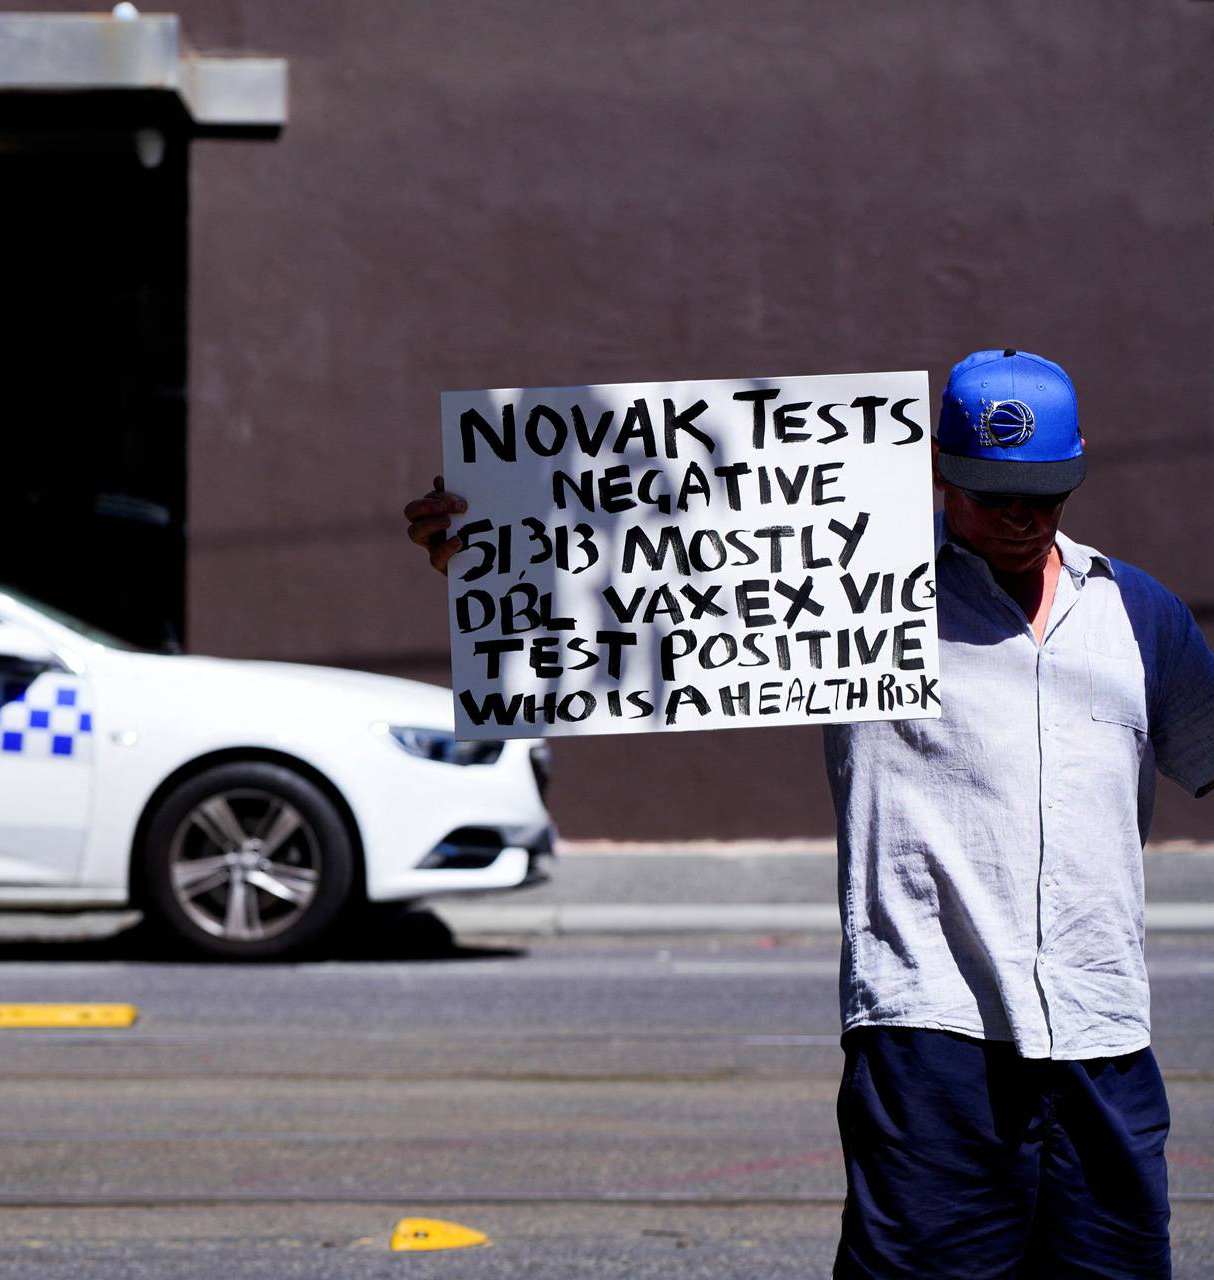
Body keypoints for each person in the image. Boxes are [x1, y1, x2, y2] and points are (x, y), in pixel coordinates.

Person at [406, 349, 1214, 1278]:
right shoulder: (840, 585)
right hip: (929, 1037)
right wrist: (500, 542)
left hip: (1103, 1037)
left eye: (1045, 494)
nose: (1022, 520)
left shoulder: (1140, 614)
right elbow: (635, 590)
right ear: (940, 473)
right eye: (993, 495)